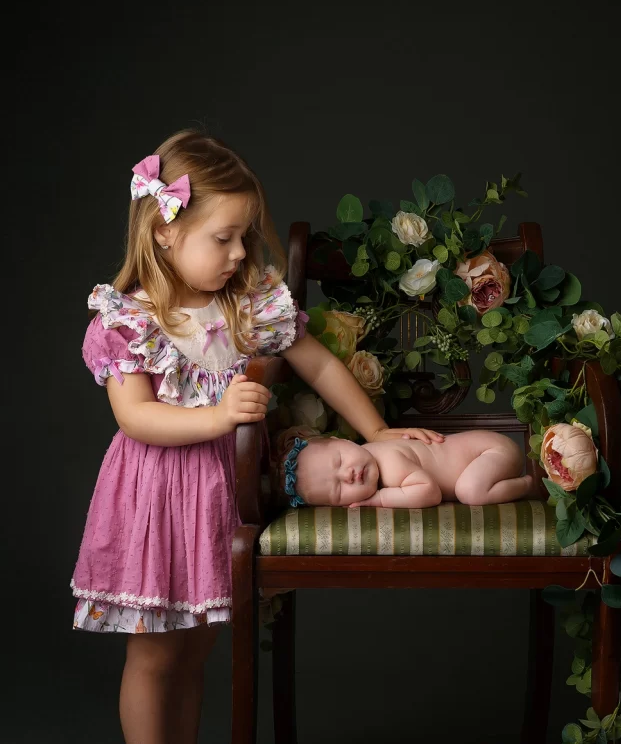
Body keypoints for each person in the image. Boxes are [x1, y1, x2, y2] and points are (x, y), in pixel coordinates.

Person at [71, 129, 443, 744]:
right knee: (154, 656)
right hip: (156, 501)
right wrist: (219, 416)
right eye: (223, 238)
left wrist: (377, 429)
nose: (240, 252)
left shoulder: (247, 304)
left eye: (244, 236)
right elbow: (135, 417)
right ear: (164, 231)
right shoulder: (131, 319)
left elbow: (318, 364)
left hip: (222, 496)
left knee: (196, 651)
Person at [282, 430, 538, 509]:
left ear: (344, 441)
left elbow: (429, 492)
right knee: (469, 488)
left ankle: (529, 484)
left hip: (492, 451)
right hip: (488, 455)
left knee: (469, 491)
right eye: (338, 489)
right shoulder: (369, 454)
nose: (347, 474)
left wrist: (379, 499)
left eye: (339, 461)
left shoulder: (389, 464)